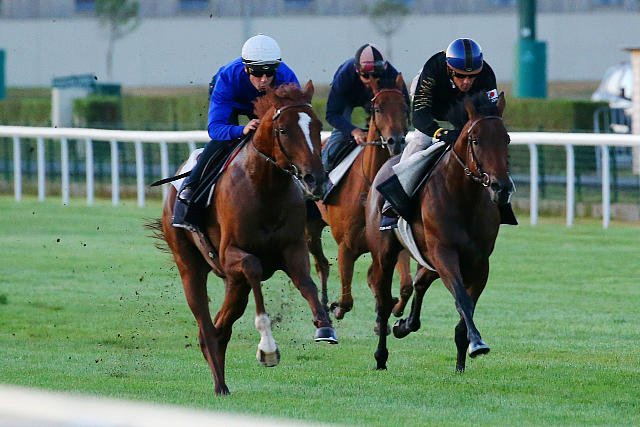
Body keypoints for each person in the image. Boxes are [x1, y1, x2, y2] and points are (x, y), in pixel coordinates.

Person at [172, 34, 299, 232]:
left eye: (270, 73)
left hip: (267, 104)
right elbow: (215, 128)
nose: (264, 80)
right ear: (246, 68)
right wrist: (241, 130)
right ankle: (191, 191)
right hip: (233, 99)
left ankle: (311, 197)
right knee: (224, 143)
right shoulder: (228, 78)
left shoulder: (287, 80)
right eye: (257, 73)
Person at [379, 38, 500, 230]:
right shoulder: (434, 69)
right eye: (460, 76)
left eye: (472, 77)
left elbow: (491, 115)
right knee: (421, 141)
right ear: (450, 69)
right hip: (432, 104)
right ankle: (394, 201)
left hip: (462, 106)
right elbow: (420, 117)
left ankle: (501, 197)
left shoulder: (486, 74)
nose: (466, 82)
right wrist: (441, 133)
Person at [323, 43, 410, 171]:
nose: (371, 80)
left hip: (379, 101)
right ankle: (324, 169)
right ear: (357, 72)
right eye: (366, 76)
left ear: (384, 71)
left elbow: (405, 107)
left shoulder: (392, 74)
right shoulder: (345, 75)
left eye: (376, 76)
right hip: (348, 99)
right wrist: (354, 131)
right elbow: (332, 114)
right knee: (340, 135)